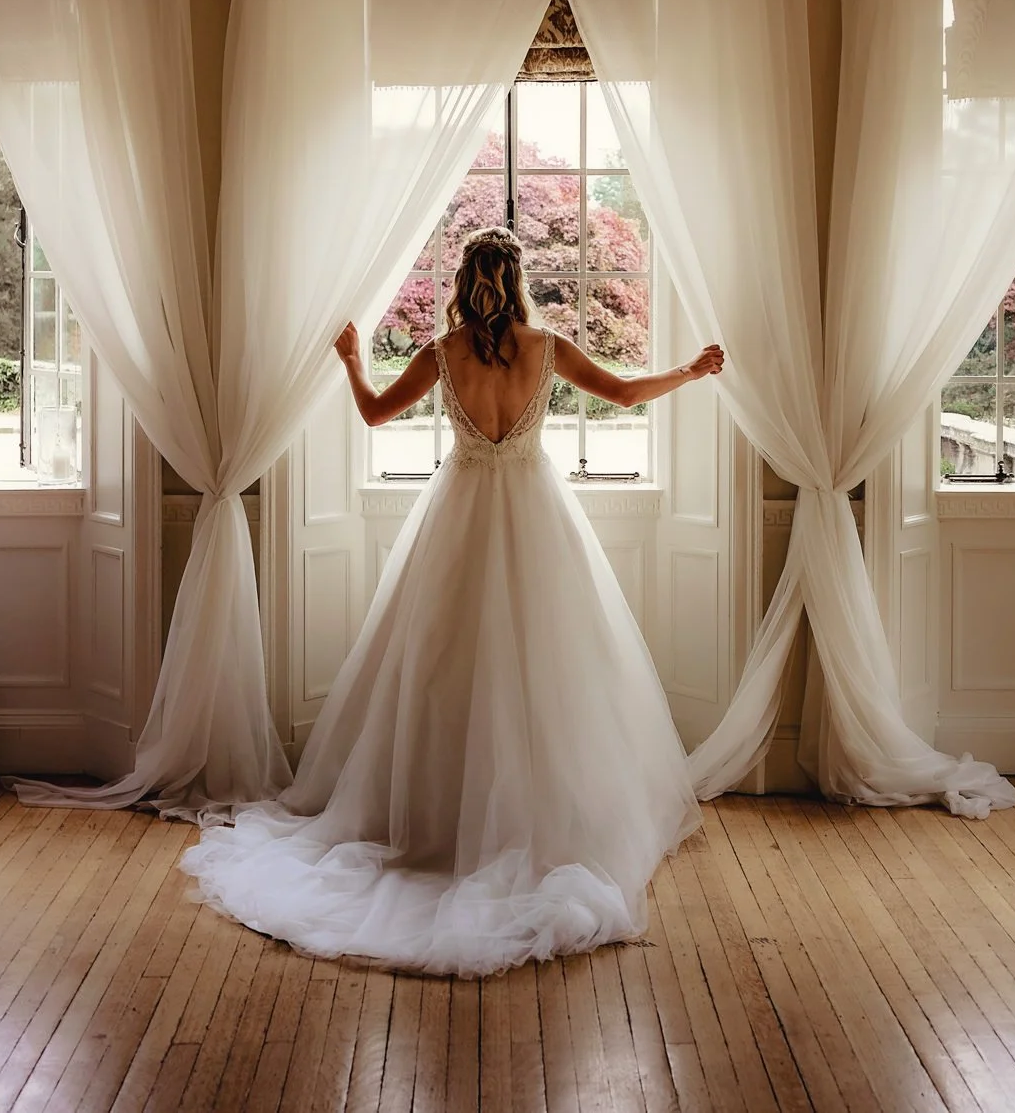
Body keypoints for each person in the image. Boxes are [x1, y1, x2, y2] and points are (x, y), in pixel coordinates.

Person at [178, 224, 727, 976]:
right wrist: (691, 371)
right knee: (550, 668)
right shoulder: (547, 348)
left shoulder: (442, 354)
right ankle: (541, 820)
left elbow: (374, 414)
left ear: (465, 283)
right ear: (517, 279)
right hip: (535, 518)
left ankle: (436, 819)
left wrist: (351, 360)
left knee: (441, 667)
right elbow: (628, 394)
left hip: (458, 516)